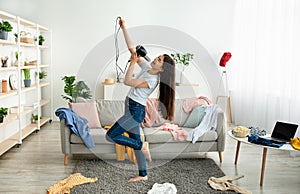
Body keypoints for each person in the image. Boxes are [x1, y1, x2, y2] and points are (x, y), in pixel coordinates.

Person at [105, 17, 176, 182]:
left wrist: (132, 64)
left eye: (158, 60)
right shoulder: (148, 68)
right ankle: (143, 174)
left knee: (111, 135)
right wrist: (124, 28)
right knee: (135, 139)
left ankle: (142, 146)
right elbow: (133, 49)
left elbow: (128, 81)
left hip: (135, 111)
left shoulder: (152, 80)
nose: (154, 59)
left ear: (162, 69)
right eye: (157, 57)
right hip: (130, 106)